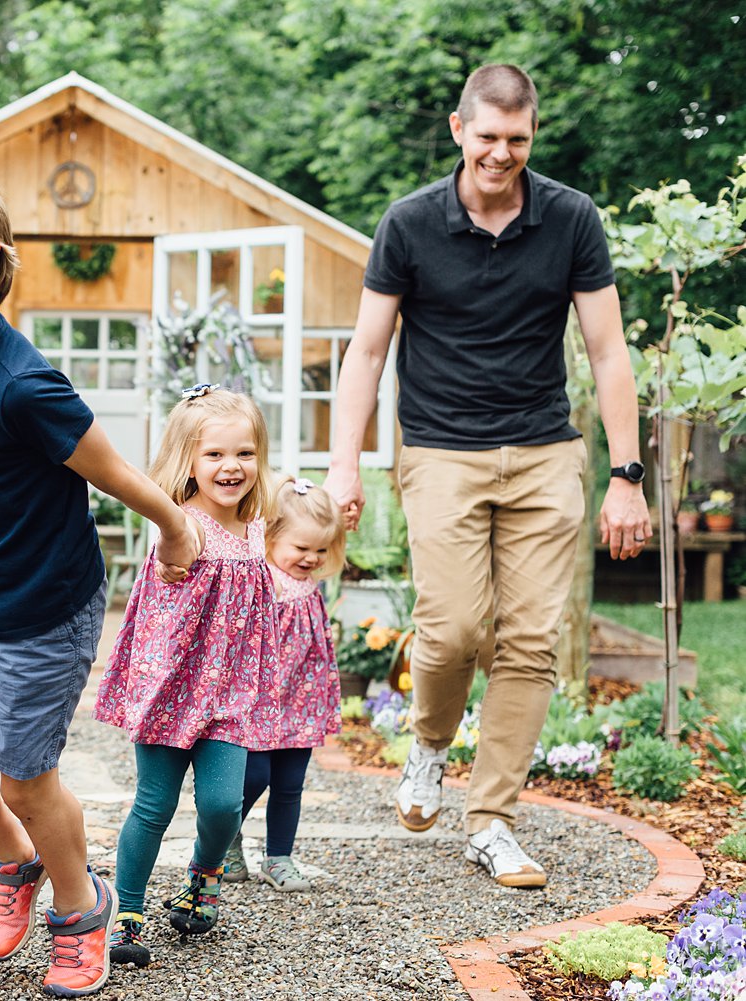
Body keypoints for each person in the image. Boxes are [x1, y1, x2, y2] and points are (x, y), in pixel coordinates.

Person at [322, 64, 649, 888]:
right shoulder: (409, 224)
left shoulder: (571, 218)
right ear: (459, 130)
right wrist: (342, 466)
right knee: (454, 628)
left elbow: (608, 351)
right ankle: (429, 744)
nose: (502, 154)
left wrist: (627, 473)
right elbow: (366, 350)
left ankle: (493, 820)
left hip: (544, 452)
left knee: (531, 641)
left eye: (518, 139)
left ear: (530, 137)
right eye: (488, 137)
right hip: (440, 450)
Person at [0, 169, 201, 998]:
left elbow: (112, 470)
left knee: (26, 778)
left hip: (43, 606)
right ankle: (19, 859)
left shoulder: (28, 387)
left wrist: (175, 525)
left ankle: (79, 905)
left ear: (1, 264)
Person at [92, 386, 277, 970]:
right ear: (187, 461)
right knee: (155, 802)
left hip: (233, 695)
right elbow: (169, 574)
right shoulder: (181, 528)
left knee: (224, 804)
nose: (232, 467)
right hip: (172, 692)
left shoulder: (256, 528)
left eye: (244, 454)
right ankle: (128, 910)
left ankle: (204, 873)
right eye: (215, 455)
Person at [221, 476, 347, 894]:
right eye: (302, 548)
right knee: (253, 774)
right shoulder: (263, 579)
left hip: (303, 698)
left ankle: (279, 857)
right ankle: (224, 840)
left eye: (320, 550)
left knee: (291, 783)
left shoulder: (309, 583)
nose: (312, 558)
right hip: (261, 700)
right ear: (270, 537)